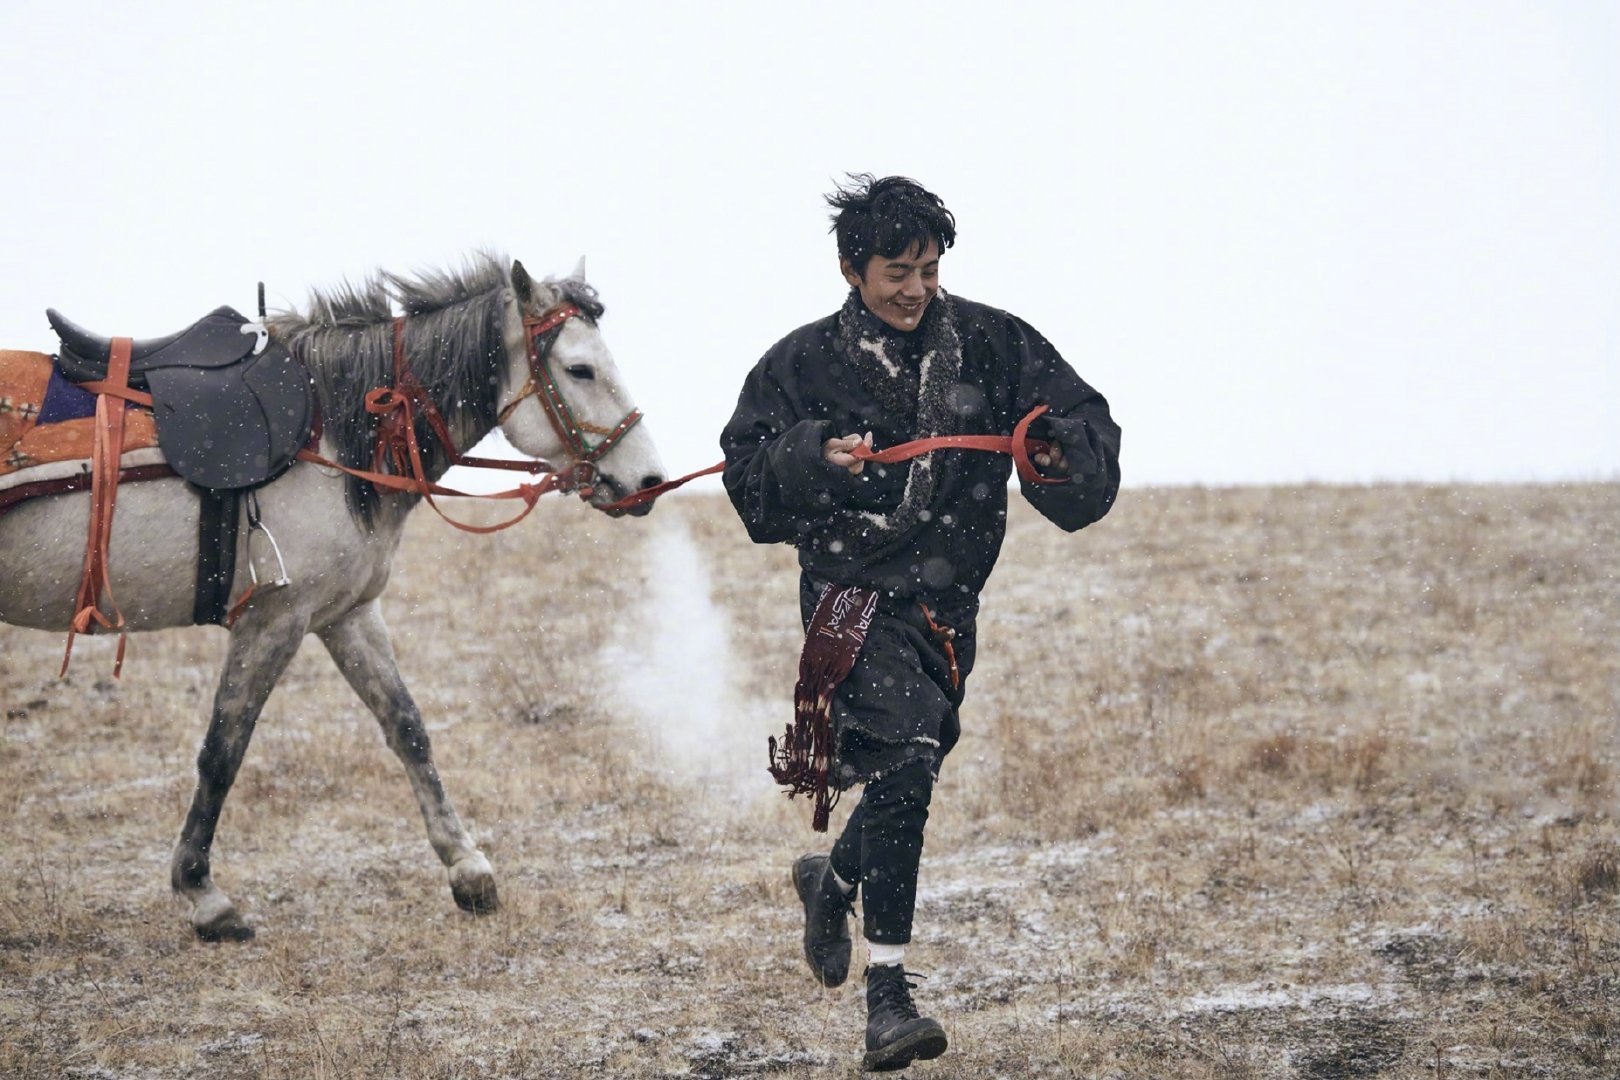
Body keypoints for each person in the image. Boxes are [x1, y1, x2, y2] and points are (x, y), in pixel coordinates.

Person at [719, 174, 1121, 1071]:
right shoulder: (796, 366)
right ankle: (888, 996)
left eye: (929, 269)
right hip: (850, 602)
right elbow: (745, 482)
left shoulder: (994, 342)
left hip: (949, 606)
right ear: (849, 268)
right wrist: (810, 455)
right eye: (897, 270)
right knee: (904, 763)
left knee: (913, 769)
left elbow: (1084, 424)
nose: (916, 288)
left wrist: (1057, 451)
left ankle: (834, 877)